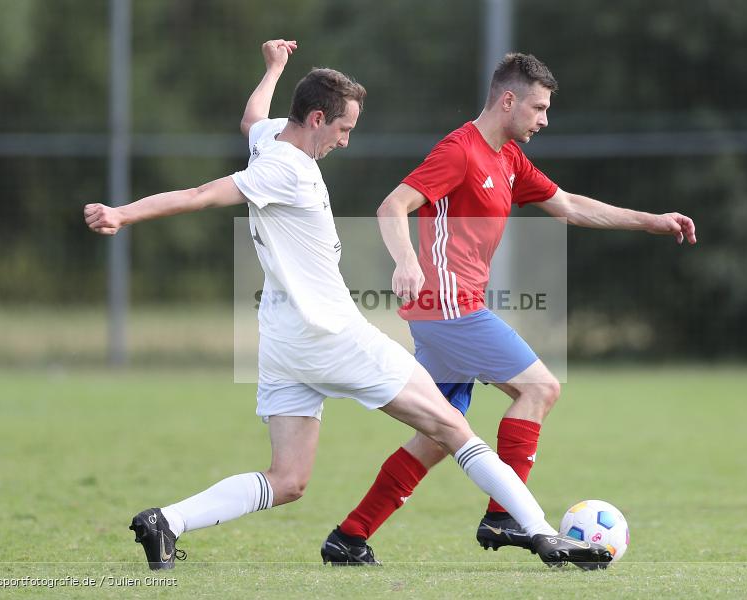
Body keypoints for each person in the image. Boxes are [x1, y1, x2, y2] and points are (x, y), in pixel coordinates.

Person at [83, 41, 611, 571]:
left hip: (283, 341)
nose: (346, 139)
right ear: (316, 119)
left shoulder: (269, 142)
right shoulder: (285, 169)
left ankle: (166, 522)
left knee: (288, 481)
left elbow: (251, 119)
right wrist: (121, 214)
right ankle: (542, 534)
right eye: (343, 128)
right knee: (453, 427)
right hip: (331, 335)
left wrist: (273, 69)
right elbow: (199, 193)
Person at [320, 52, 697, 564]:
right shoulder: (461, 150)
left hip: (449, 312)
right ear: (507, 100)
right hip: (448, 308)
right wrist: (406, 261)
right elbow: (393, 205)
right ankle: (506, 518)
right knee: (540, 388)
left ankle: (350, 537)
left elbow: (567, 205)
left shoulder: (509, 159)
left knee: (438, 433)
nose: (544, 119)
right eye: (538, 108)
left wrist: (651, 221)